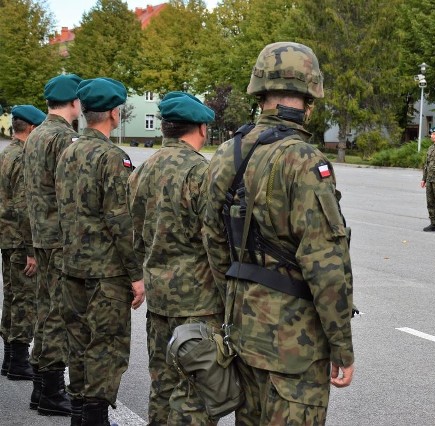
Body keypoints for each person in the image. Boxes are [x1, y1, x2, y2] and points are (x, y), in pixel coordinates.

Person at [202, 42, 355, 425]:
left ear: (260, 93)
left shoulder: (227, 152)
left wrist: (235, 301)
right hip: (294, 347)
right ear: (309, 97)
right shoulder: (304, 160)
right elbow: (326, 265)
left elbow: (213, 238)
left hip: (243, 333)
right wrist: (342, 346)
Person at [126, 92, 222, 425]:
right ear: (201, 128)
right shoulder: (202, 172)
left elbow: (133, 234)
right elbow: (217, 241)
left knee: (163, 387)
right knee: (196, 394)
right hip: (199, 304)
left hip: (160, 300)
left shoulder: (142, 170)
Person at [55, 77, 145, 425]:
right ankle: (93, 418)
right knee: (106, 347)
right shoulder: (112, 158)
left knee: (78, 342)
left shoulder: (68, 152)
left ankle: (79, 413)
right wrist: (136, 275)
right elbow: (121, 222)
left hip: (71, 266)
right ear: (112, 113)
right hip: (106, 273)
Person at [23, 73, 82, 416]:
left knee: (46, 309)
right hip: (60, 237)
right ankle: (52, 392)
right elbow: (69, 192)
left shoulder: (37, 135)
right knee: (59, 313)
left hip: (42, 235)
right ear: (75, 102)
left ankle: (41, 389)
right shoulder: (63, 138)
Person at [0, 106, 45, 382]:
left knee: (12, 295)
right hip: (19, 238)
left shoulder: (6, 153)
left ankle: (9, 358)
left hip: (6, 236)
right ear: (30, 128)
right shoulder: (24, 156)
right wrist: (32, 250)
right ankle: (18, 360)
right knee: (25, 299)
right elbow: (24, 204)